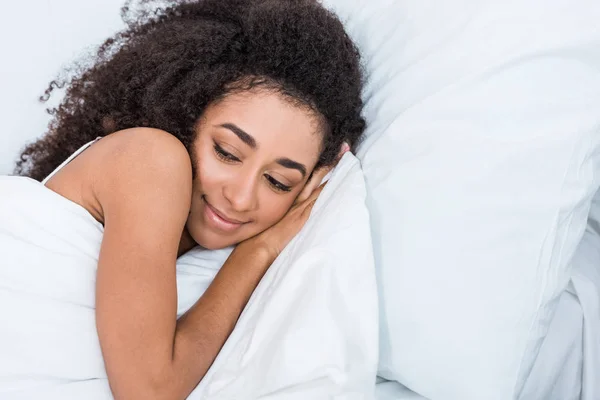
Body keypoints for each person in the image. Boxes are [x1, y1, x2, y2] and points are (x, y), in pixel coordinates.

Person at [10, 0, 365, 398]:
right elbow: (150, 392)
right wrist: (260, 252)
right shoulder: (150, 158)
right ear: (186, 116)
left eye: (278, 181)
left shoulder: (192, 251)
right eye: (227, 153)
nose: (241, 197)